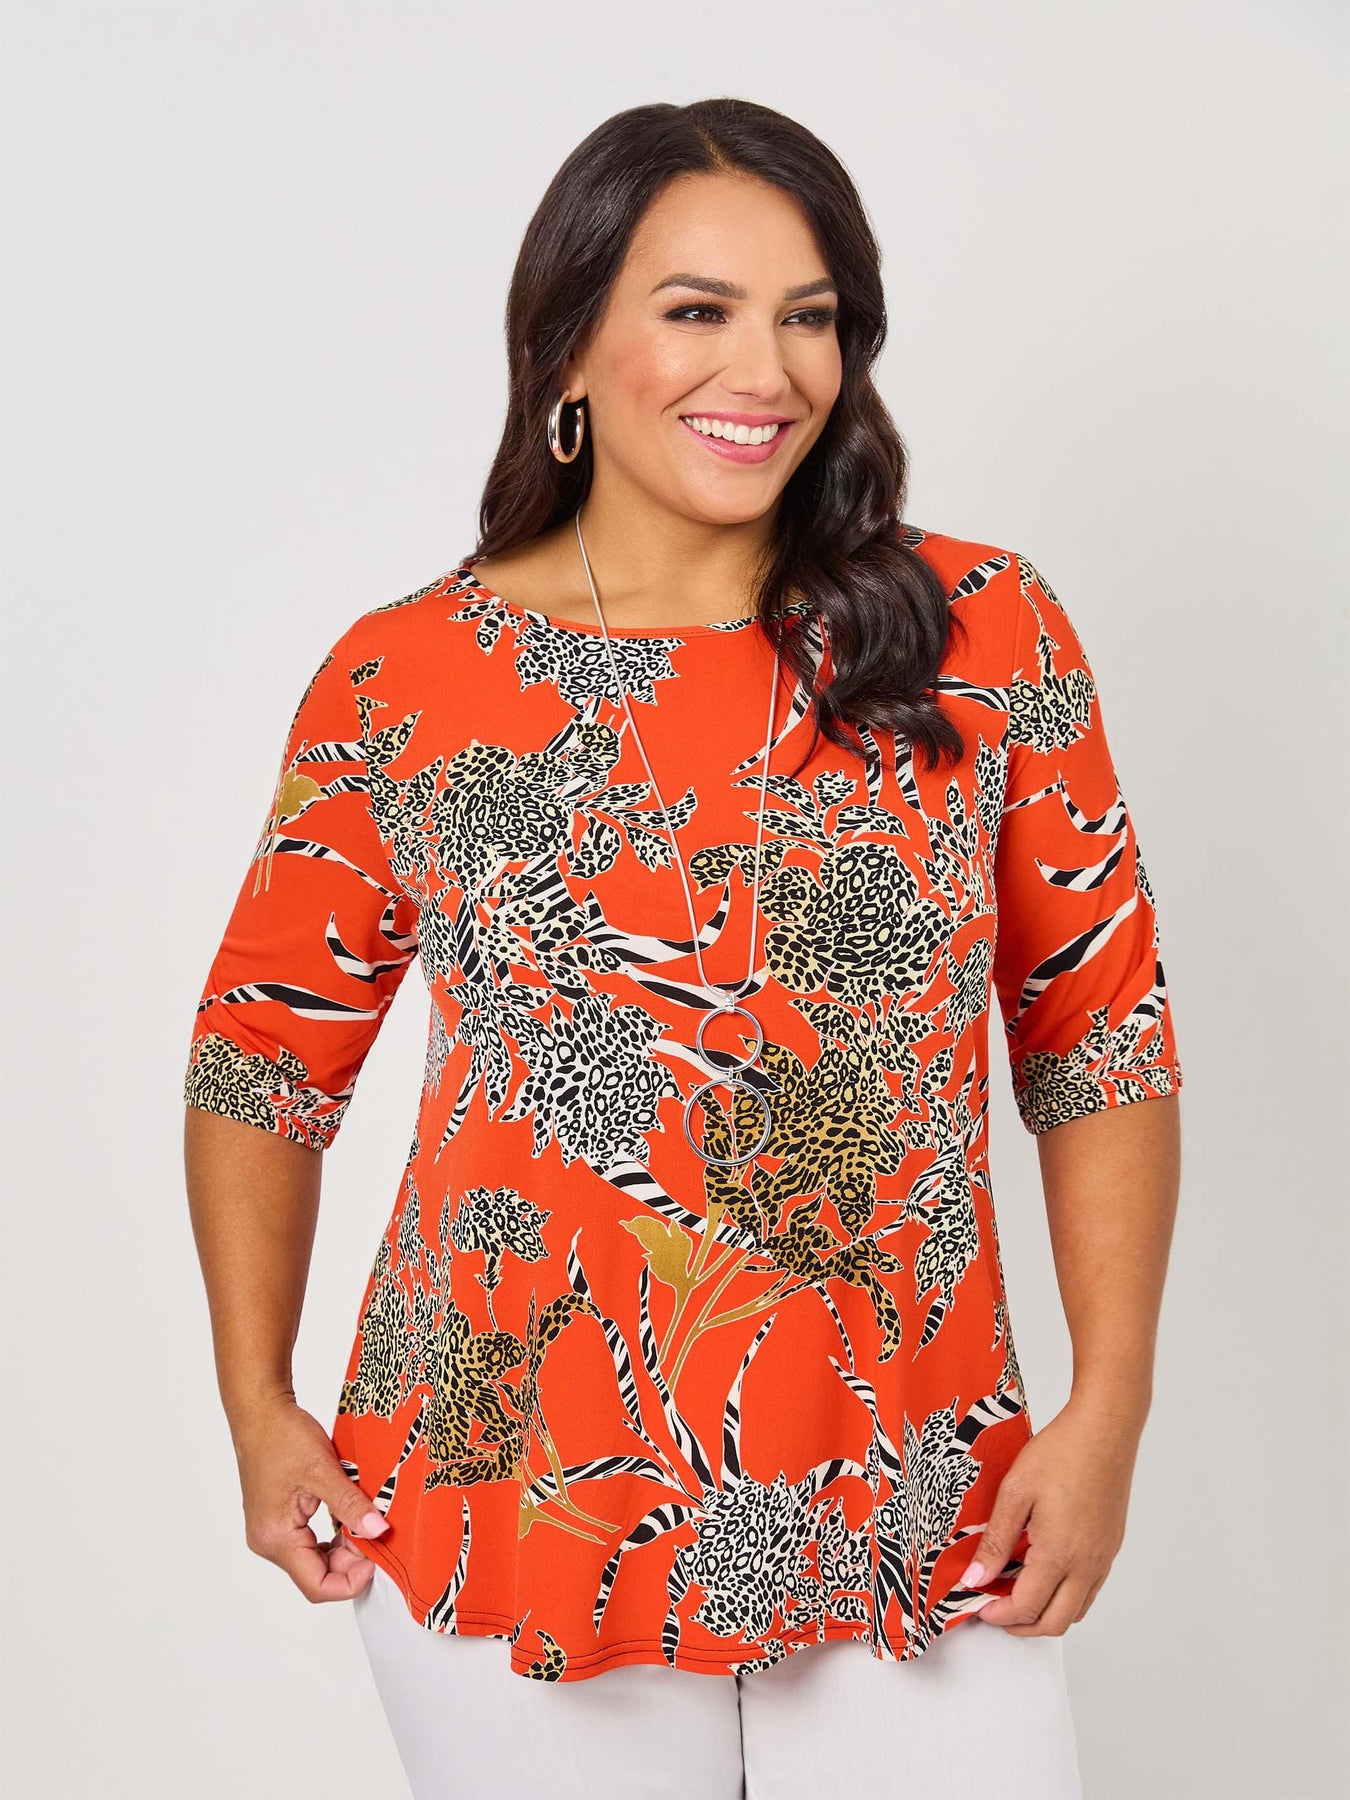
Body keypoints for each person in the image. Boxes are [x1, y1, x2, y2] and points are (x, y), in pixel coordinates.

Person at [182, 96, 1183, 1800]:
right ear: (567, 343)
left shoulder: (981, 630)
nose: (766, 371)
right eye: (697, 310)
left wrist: (1106, 1412)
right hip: (508, 1481)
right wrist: (256, 1403)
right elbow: (262, 1059)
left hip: (914, 1485)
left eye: (810, 317)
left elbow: (1099, 1034)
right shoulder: (403, 678)